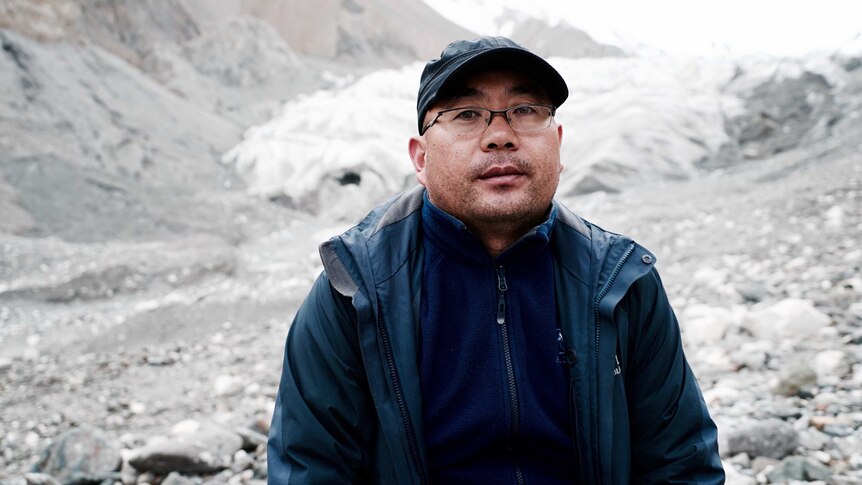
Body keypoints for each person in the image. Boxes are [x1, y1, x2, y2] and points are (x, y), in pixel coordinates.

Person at [267, 36, 724, 484]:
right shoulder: (355, 287)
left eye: (526, 111)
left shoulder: (621, 279)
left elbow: (681, 464)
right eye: (466, 115)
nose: (501, 136)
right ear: (420, 158)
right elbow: (311, 469)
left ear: (559, 145)